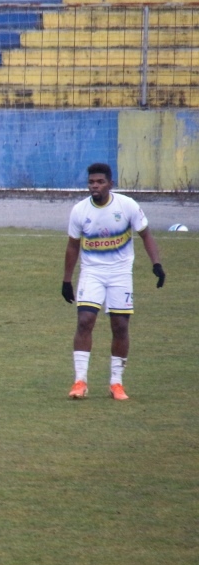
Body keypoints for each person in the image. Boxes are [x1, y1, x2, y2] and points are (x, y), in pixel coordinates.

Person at [62, 162, 165, 400]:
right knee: (85, 321)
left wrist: (156, 264)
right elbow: (72, 245)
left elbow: (146, 234)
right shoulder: (79, 210)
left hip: (120, 273)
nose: (94, 186)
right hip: (92, 272)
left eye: (99, 182)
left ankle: (116, 383)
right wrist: (67, 280)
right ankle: (80, 381)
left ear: (110, 183)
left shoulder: (127, 206)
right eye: (91, 182)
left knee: (120, 326)